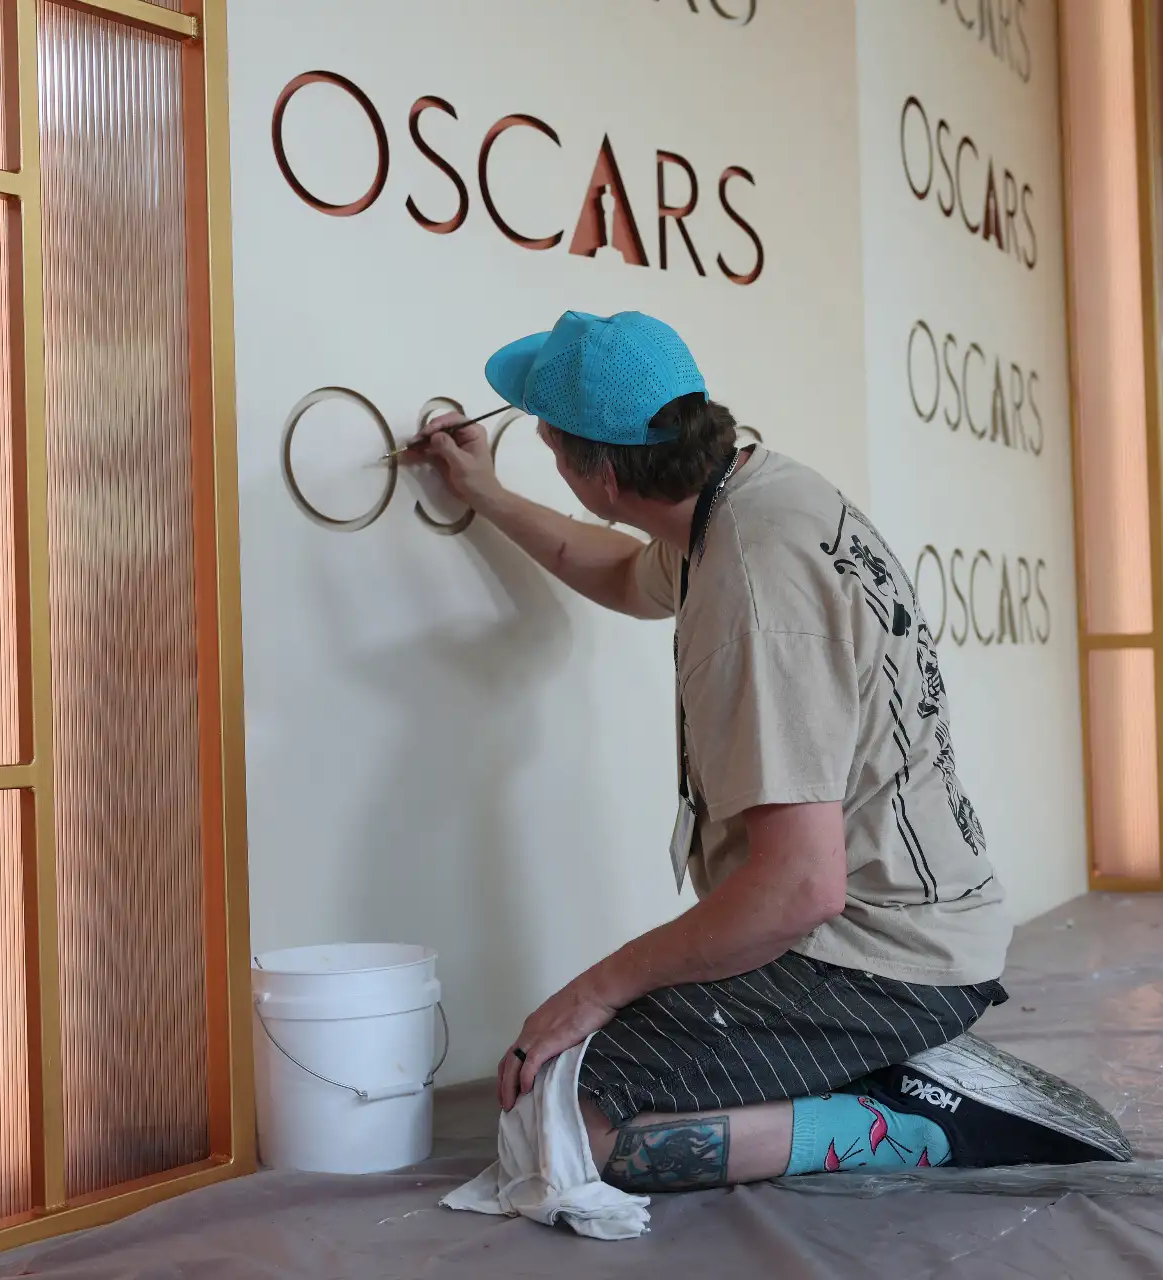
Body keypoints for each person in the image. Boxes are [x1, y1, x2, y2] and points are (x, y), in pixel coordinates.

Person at [408, 310, 1123, 1192]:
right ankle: (885, 1075)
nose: (551, 463)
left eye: (551, 447)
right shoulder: (753, 497)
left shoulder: (752, 590)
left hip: (869, 955)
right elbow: (623, 572)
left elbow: (797, 889)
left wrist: (596, 988)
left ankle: (908, 1125)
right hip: (910, 928)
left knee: (556, 1127)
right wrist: (484, 491)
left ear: (597, 471)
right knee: (559, 1086)